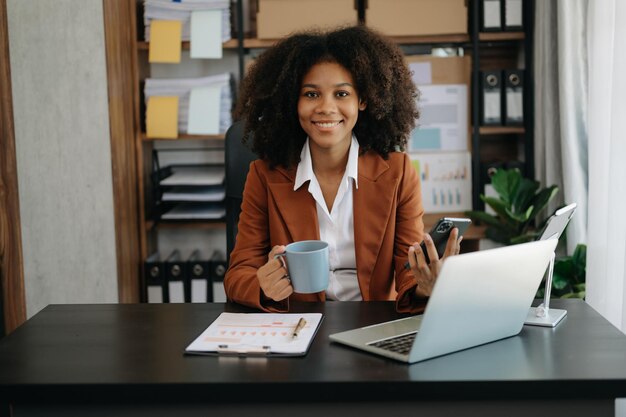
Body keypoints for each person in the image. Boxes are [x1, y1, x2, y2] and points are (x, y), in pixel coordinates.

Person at [224, 25, 461, 313]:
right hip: (299, 327)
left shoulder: (398, 173)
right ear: (293, 102)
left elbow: (407, 267)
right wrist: (261, 285)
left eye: (341, 94)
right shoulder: (264, 176)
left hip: (370, 324)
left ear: (363, 100)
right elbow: (238, 275)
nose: (326, 107)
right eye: (311, 95)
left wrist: (424, 286)